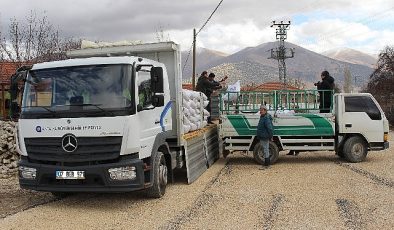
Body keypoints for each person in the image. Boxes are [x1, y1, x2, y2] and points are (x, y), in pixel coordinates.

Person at [256, 104, 274, 168]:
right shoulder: (263, 116)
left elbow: (270, 128)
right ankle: (267, 164)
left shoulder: (266, 118)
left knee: (266, 149)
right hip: (263, 136)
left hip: (265, 136)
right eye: (260, 110)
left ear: (265, 110)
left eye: (261, 110)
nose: (260, 111)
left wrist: (271, 136)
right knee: (265, 149)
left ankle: (267, 165)